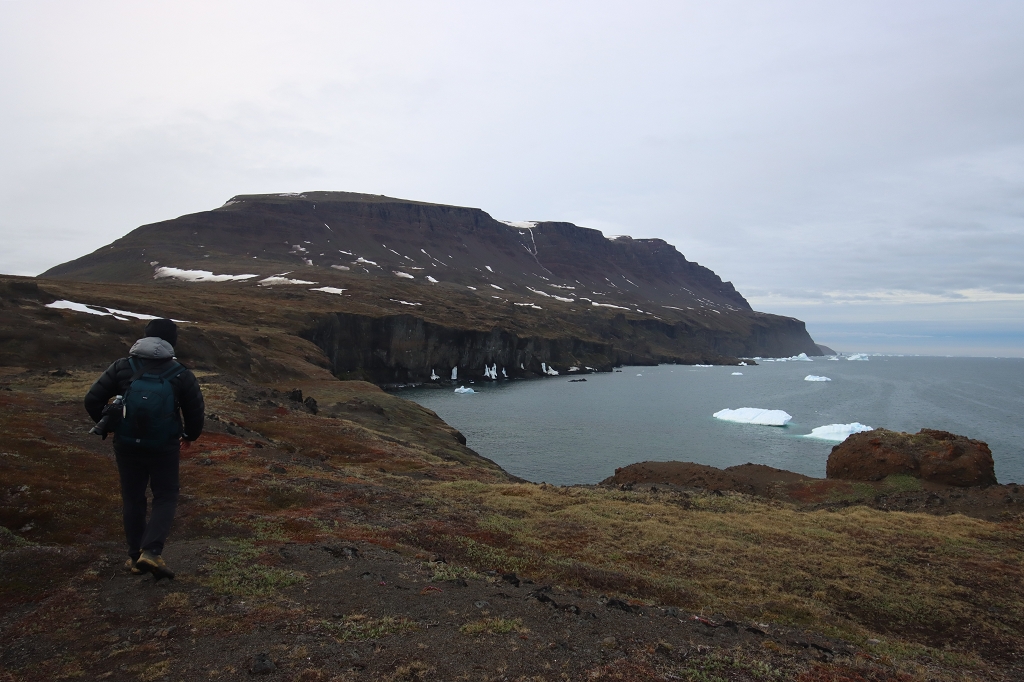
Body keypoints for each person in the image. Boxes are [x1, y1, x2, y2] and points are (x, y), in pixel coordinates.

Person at [85, 318, 204, 580]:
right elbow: (195, 412)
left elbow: (92, 399)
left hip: (126, 445)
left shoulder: (122, 367)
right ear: (172, 341)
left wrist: (110, 426)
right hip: (163, 446)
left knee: (133, 498)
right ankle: (150, 551)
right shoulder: (180, 373)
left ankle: (133, 556)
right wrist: (189, 435)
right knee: (165, 495)